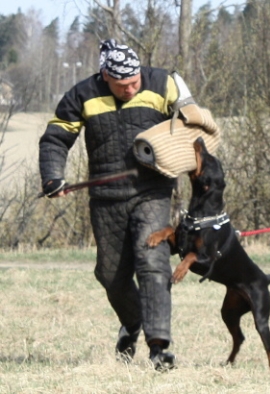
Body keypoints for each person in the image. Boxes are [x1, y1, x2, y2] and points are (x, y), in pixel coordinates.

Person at [38, 39, 182, 371]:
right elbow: (56, 138)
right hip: (106, 200)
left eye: (135, 82)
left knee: (153, 263)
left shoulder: (163, 84)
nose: (131, 88)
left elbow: (194, 123)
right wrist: (52, 177)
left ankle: (159, 348)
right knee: (110, 275)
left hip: (153, 191)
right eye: (123, 85)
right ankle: (132, 323)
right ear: (105, 76)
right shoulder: (82, 94)